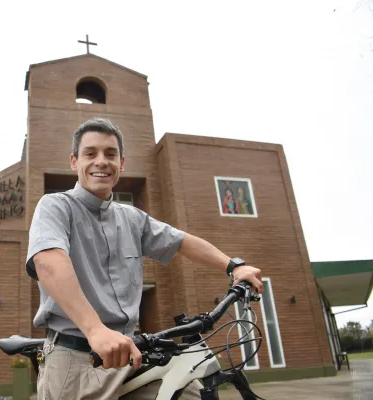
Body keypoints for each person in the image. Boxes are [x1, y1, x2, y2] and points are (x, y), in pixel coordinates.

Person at [25, 118, 263, 400]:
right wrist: (95, 330)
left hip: (130, 355)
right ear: (74, 162)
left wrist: (234, 266)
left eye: (110, 154)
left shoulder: (132, 218)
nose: (101, 161)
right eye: (91, 153)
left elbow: (181, 241)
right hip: (76, 359)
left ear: (121, 163)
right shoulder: (55, 206)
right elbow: (48, 262)